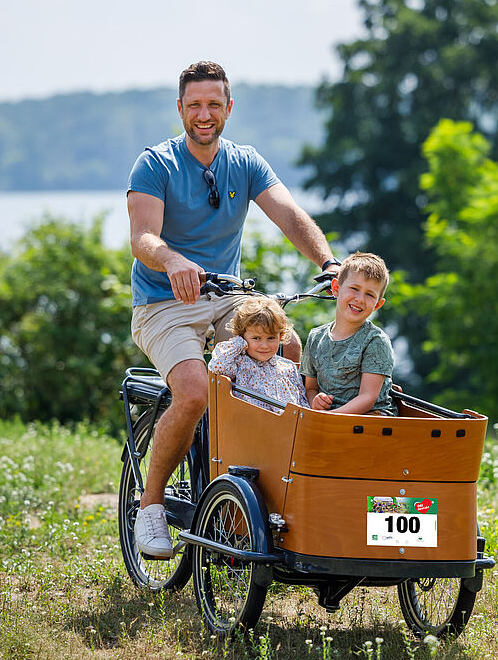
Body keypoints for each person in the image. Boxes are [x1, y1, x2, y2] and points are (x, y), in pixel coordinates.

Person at [127, 61, 339, 559]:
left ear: (228, 108)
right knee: (196, 391)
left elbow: (288, 214)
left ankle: (263, 491)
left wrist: (329, 263)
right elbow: (143, 238)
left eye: (214, 104)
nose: (204, 114)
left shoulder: (245, 162)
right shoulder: (155, 164)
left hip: (225, 297)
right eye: (195, 105)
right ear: (180, 108)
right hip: (164, 302)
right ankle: (151, 506)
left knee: (283, 349)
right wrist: (174, 260)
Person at [301, 252, 396, 416]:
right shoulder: (316, 337)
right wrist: (316, 401)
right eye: (354, 288)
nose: (360, 299)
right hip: (328, 418)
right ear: (336, 288)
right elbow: (311, 388)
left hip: (370, 418)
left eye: (369, 294)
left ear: (377, 305)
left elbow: (368, 397)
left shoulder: (375, 341)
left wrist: (332, 417)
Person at [207, 296, 308, 413]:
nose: (264, 345)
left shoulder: (288, 367)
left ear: (280, 337)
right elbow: (218, 366)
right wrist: (239, 341)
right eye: (256, 338)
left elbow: (302, 399)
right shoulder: (239, 362)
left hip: (288, 425)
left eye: (271, 338)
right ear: (242, 336)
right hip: (253, 424)